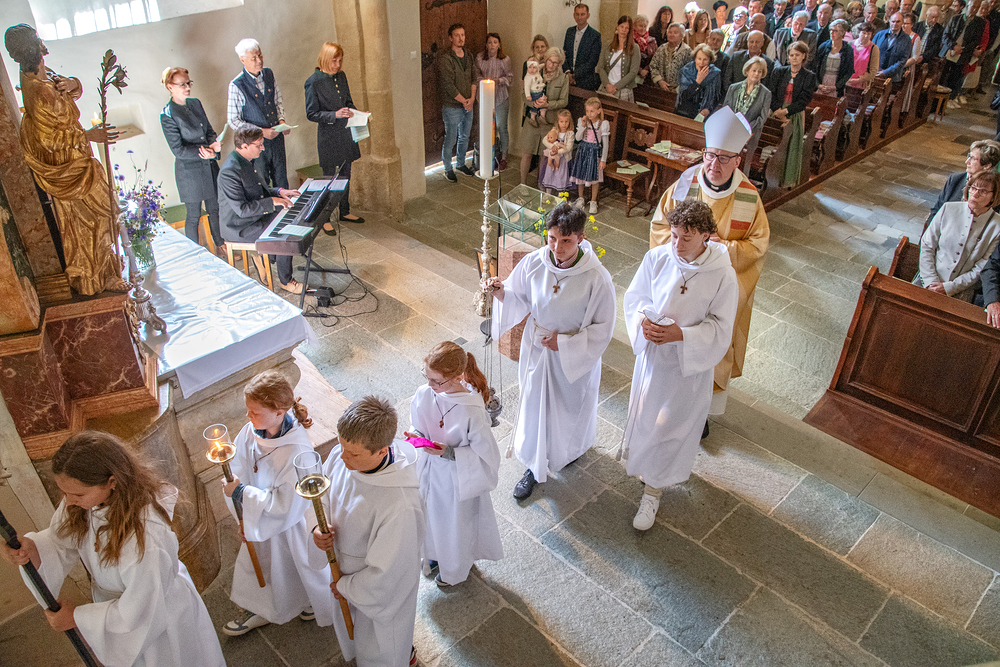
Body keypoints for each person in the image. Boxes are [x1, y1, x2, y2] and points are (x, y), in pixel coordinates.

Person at [0, 431, 226, 667]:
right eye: (64, 492)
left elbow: (140, 611)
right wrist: (33, 550)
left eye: (77, 494)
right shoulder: (86, 503)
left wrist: (78, 618)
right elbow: (59, 541)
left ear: (112, 482)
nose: (68, 501)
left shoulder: (145, 537)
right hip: (121, 610)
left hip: (157, 618)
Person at [483, 203, 616, 501]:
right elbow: (518, 297)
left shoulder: (597, 278)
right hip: (537, 347)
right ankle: (534, 465)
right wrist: (500, 291)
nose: (557, 248)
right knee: (534, 404)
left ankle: (569, 451)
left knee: (568, 409)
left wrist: (565, 344)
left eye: (566, 240)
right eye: (552, 238)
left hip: (572, 355)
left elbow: (603, 328)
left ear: (580, 238)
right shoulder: (535, 261)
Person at [622, 201, 739, 530]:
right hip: (653, 358)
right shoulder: (657, 258)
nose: (677, 244)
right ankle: (647, 471)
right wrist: (643, 322)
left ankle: (653, 494)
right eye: (674, 235)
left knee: (669, 427)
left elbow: (721, 327)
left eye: (686, 238)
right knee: (646, 418)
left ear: (706, 236)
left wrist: (681, 335)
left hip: (687, 366)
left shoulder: (722, 274)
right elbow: (636, 297)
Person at [650, 107, 770, 423]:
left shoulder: (749, 197)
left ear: (738, 160)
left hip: (718, 288)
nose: (714, 164)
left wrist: (721, 248)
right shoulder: (685, 184)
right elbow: (660, 227)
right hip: (681, 284)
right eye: (710, 155)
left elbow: (758, 245)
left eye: (724, 158)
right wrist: (684, 252)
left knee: (711, 338)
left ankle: (702, 414)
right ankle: (667, 402)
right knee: (673, 343)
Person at [3, 24, 121, 296]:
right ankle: (96, 277)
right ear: (35, 47)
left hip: (76, 157)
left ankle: (107, 271)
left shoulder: (40, 75)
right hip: (69, 168)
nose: (41, 41)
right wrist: (88, 135)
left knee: (100, 216)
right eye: (37, 39)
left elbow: (69, 91)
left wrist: (73, 83)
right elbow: (49, 141)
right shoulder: (38, 92)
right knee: (91, 220)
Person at [311, 396, 426, 667]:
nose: (342, 457)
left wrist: (346, 586)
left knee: (381, 651)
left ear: (382, 452)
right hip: (344, 576)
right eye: (341, 446)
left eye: (353, 454)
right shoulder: (343, 458)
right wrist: (318, 528)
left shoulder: (400, 505)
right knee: (355, 638)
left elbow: (391, 573)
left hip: (373, 593)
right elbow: (323, 494)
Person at [221, 370, 332, 636]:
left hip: (287, 524)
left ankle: (308, 602)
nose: (248, 416)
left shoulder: (298, 451)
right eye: (248, 410)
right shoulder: (253, 431)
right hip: (258, 516)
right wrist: (243, 514)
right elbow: (239, 466)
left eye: (255, 412)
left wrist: (242, 494)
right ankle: (264, 608)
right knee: (268, 567)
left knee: (293, 566)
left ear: (279, 412)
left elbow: (286, 505)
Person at [407, 341, 502, 588]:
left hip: (456, 478)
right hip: (428, 470)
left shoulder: (472, 410)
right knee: (428, 516)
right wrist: (416, 436)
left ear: (458, 376)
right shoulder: (424, 393)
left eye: (437, 381)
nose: (430, 385)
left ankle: (454, 568)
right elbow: (418, 423)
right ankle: (433, 555)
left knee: (453, 525)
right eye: (427, 377)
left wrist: (449, 452)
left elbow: (486, 455)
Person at [218, 126, 302, 293]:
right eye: (259, 145)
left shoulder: (248, 161)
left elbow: (259, 191)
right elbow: (242, 209)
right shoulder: (230, 171)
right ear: (244, 146)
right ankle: (286, 281)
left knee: (289, 218)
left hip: (254, 216)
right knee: (284, 233)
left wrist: (279, 192)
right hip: (240, 226)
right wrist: (273, 201)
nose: (263, 148)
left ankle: (266, 257)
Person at [159, 67, 225, 257]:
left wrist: (214, 146)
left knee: (215, 208)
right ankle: (196, 255)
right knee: (194, 215)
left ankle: (221, 246)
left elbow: (209, 131)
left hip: (209, 165)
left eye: (189, 83)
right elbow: (178, 150)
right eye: (182, 84)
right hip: (190, 172)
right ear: (170, 87)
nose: (187, 87)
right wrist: (206, 152)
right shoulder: (167, 114)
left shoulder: (195, 103)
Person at [305, 42, 364, 232]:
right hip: (328, 137)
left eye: (340, 61)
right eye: (334, 61)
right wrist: (334, 115)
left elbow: (348, 101)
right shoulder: (313, 82)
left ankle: (345, 211)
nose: (337, 65)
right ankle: (325, 217)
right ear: (325, 59)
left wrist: (357, 113)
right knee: (329, 179)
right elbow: (311, 114)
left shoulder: (341, 76)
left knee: (346, 175)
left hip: (345, 133)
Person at [916, 170, 1000, 303]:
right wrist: (930, 281)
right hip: (927, 280)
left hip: (960, 289)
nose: (975, 194)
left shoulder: (997, 226)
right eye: (973, 188)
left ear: (994, 196)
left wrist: (950, 287)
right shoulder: (948, 209)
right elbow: (927, 245)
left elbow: (983, 265)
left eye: (983, 191)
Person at [228, 38, 290, 189]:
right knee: (261, 183)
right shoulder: (236, 85)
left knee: (281, 180)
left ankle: (286, 205)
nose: (259, 61)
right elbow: (233, 120)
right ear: (242, 59)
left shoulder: (268, 74)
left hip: (276, 140)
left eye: (260, 55)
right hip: (255, 144)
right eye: (253, 58)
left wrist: (282, 122)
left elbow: (277, 102)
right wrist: (261, 132)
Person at [519, 47, 570, 185]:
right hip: (532, 119)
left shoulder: (563, 78)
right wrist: (533, 103)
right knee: (527, 153)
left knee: (544, 155)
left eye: (555, 63)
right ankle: (522, 184)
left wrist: (548, 105)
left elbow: (564, 101)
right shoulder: (535, 71)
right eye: (549, 61)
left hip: (548, 122)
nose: (551, 65)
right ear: (546, 59)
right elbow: (524, 94)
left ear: (559, 64)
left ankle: (540, 184)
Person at [770, 41, 818, 186]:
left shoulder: (809, 76)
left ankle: (787, 179)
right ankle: (772, 178)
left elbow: (803, 100)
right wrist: (777, 111)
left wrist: (786, 112)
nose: (794, 58)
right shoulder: (779, 72)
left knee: (791, 147)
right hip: (776, 112)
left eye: (797, 55)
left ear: (803, 56)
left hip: (794, 114)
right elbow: (771, 93)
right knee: (775, 145)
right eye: (791, 55)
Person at [926, 139, 1000, 225]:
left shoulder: (995, 189)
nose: (967, 161)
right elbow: (937, 210)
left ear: (987, 165)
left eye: (973, 158)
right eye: (969, 156)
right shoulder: (955, 179)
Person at [439, 23, 477, 183]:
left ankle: (461, 163)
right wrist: (463, 101)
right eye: (457, 35)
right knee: (451, 138)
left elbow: (474, 78)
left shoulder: (468, 55)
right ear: (450, 38)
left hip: (469, 104)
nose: (461, 38)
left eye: (463, 35)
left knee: (465, 136)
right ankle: (448, 168)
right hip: (452, 106)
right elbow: (448, 85)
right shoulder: (446, 59)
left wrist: (472, 99)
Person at [724, 56, 773, 159]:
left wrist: (746, 131)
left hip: (750, 135)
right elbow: (726, 110)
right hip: (730, 131)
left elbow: (762, 118)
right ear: (747, 71)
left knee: (744, 162)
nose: (756, 74)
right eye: (754, 70)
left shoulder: (766, 94)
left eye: (759, 71)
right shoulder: (733, 88)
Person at [477, 33, 513, 171]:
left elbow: (510, 78)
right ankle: (489, 155)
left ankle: (503, 157)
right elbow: (476, 74)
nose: (492, 45)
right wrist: (484, 81)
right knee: (488, 127)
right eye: (490, 42)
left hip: (500, 97)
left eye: (495, 42)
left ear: (499, 45)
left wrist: (499, 80)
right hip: (485, 97)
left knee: (501, 126)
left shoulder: (505, 59)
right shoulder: (480, 58)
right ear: (486, 45)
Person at [941, 0, 986, 106]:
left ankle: (951, 98)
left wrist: (962, 49)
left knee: (956, 77)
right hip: (949, 52)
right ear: (968, 6)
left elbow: (976, 40)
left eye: (976, 7)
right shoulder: (956, 18)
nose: (974, 9)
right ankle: (941, 101)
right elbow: (945, 35)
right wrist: (953, 46)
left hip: (963, 53)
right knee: (944, 76)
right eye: (972, 6)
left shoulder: (979, 23)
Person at [570, 97, 610, 213]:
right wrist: (582, 126)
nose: (589, 114)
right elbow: (577, 138)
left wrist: (603, 159)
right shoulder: (582, 121)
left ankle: (593, 201)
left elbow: (605, 144)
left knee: (594, 177)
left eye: (592, 111)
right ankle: (580, 198)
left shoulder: (603, 124)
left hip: (594, 153)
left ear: (598, 111)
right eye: (587, 111)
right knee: (580, 175)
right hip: (582, 151)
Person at [600, 15, 641, 101]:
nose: (623, 30)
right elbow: (601, 67)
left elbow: (633, 72)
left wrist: (616, 87)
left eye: (627, 28)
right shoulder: (608, 45)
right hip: (606, 88)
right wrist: (607, 84)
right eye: (622, 26)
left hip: (623, 90)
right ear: (617, 27)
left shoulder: (634, 48)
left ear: (629, 30)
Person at [677, 44, 724, 119]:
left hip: (704, 116)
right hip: (684, 112)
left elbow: (716, 97)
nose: (702, 63)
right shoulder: (686, 71)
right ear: (695, 59)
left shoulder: (715, 73)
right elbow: (684, 96)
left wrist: (709, 110)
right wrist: (697, 82)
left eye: (705, 59)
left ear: (710, 61)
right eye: (699, 59)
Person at [563, 3, 602, 90]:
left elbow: (592, 61)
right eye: (577, 14)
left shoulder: (595, 35)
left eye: (582, 14)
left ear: (588, 15)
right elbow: (564, 54)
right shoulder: (569, 32)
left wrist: (575, 75)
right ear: (574, 15)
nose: (579, 17)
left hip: (585, 81)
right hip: (568, 79)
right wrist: (568, 72)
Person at [815, 19, 856, 96]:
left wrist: (836, 87)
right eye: (831, 30)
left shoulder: (848, 50)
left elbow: (849, 71)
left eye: (835, 31)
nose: (831, 32)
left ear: (842, 32)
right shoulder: (823, 47)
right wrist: (818, 85)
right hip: (821, 83)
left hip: (836, 85)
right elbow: (814, 67)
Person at [650, 23, 694, 92]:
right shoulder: (661, 48)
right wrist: (660, 81)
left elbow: (691, 72)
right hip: (660, 89)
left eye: (675, 33)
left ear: (682, 35)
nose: (672, 35)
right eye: (670, 32)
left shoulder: (687, 51)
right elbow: (653, 66)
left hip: (679, 91)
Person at [873, 12, 913, 88]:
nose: (895, 24)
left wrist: (885, 72)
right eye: (893, 21)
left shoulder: (907, 40)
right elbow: (871, 53)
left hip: (893, 79)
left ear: (902, 23)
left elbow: (903, 60)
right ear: (889, 21)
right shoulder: (879, 35)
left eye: (898, 21)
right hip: (875, 75)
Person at [540, 109, 576, 193]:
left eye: (566, 122)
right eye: (561, 121)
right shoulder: (554, 131)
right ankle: (548, 193)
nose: (564, 124)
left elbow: (568, 147)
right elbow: (544, 140)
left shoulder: (570, 134)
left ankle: (561, 194)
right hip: (552, 157)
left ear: (569, 122)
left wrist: (558, 152)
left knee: (561, 176)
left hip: (563, 160)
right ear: (558, 122)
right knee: (550, 174)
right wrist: (552, 147)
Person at [900, 14, 923, 111]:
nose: (903, 25)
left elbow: (915, 57)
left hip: (907, 67)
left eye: (906, 23)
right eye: (902, 23)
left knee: (903, 90)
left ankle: (902, 109)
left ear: (912, 25)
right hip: (895, 66)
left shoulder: (915, 38)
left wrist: (901, 65)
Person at [848, 21, 881, 87]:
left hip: (862, 84)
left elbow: (873, 71)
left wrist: (859, 80)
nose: (866, 36)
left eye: (869, 34)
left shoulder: (874, 49)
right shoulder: (849, 44)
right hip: (847, 81)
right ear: (859, 32)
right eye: (864, 33)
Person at [635, 15, 660, 79]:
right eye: (640, 26)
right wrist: (640, 70)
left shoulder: (652, 40)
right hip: (633, 73)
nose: (643, 28)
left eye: (645, 26)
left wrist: (646, 69)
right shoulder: (630, 40)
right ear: (635, 26)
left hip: (648, 74)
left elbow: (656, 58)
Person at [524, 58, 548, 125]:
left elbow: (540, 66)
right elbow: (526, 87)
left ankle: (542, 117)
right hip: (534, 93)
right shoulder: (528, 77)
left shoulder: (537, 72)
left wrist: (544, 64)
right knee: (535, 105)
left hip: (540, 91)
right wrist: (528, 95)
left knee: (543, 103)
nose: (532, 70)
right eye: (530, 67)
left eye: (534, 67)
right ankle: (532, 119)